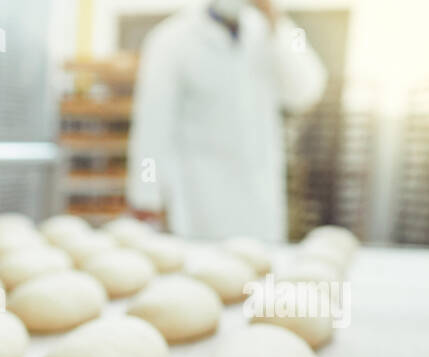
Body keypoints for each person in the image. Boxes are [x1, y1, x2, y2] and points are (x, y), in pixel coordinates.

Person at [125, 0, 327, 241]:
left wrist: (278, 23)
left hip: (260, 198)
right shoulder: (170, 39)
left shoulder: (275, 32)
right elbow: (152, 128)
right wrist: (146, 197)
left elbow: (306, 89)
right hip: (202, 202)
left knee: (259, 270)